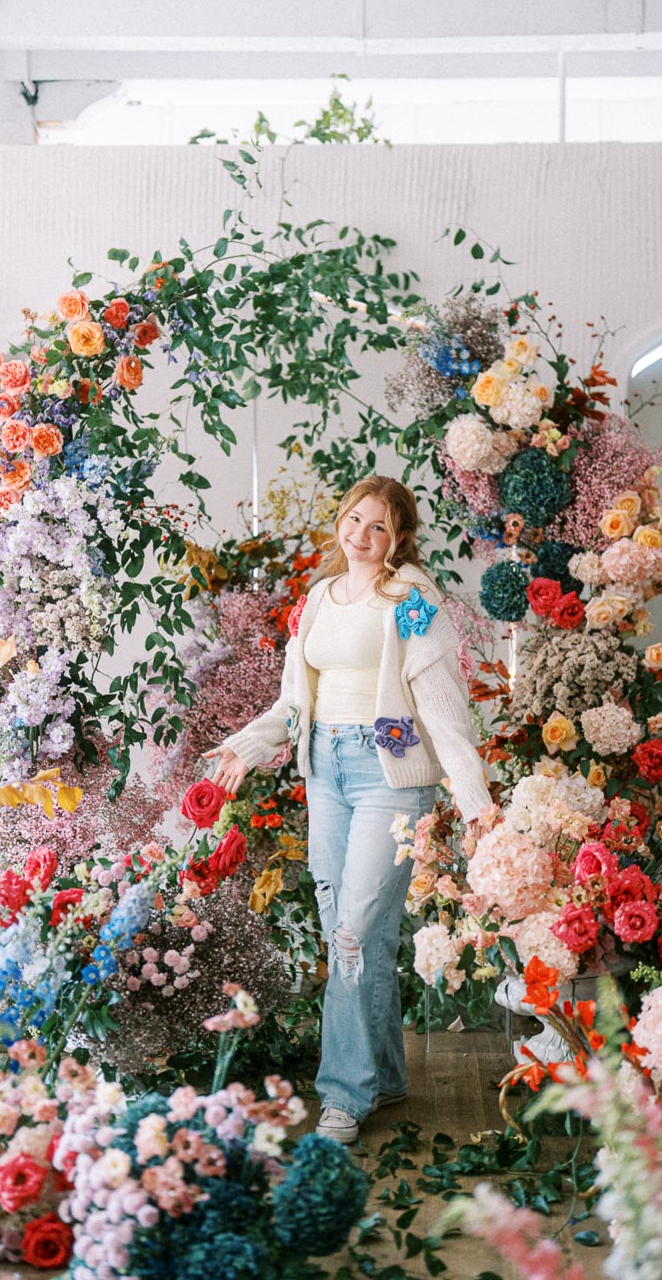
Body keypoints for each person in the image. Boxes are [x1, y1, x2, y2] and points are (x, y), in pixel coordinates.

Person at [206, 474, 494, 1143]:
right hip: (326, 772)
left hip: (388, 776)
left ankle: (342, 1096)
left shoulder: (411, 597)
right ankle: (385, 1077)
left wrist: (474, 799)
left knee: (354, 937)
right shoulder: (319, 600)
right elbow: (292, 705)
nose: (361, 535)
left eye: (379, 527)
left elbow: (443, 704)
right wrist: (245, 748)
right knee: (358, 929)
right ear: (341, 521)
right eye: (354, 520)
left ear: (399, 538)